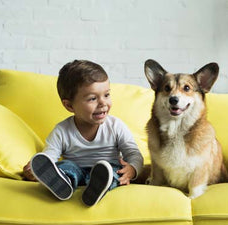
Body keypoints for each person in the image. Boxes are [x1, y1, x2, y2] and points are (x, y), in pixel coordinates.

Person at [23, 60, 143, 206]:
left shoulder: (116, 126)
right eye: (92, 98)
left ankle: (96, 188)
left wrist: (132, 169)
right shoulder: (62, 131)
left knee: (113, 171)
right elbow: (50, 156)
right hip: (76, 171)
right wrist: (36, 170)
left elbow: (133, 154)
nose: (103, 103)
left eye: (106, 95)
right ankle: (64, 183)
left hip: (106, 169)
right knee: (65, 167)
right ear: (69, 105)